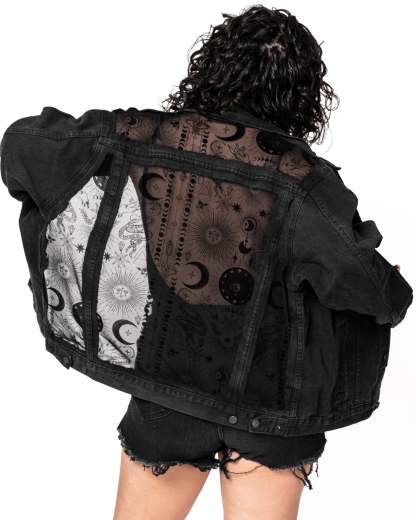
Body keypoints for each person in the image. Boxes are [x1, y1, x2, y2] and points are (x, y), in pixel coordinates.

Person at [111, 6, 356, 519]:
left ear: (215, 68)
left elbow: (29, 146)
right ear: (301, 91)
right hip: (271, 400)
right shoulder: (306, 179)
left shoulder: (157, 142)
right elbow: (365, 286)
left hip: (173, 383)